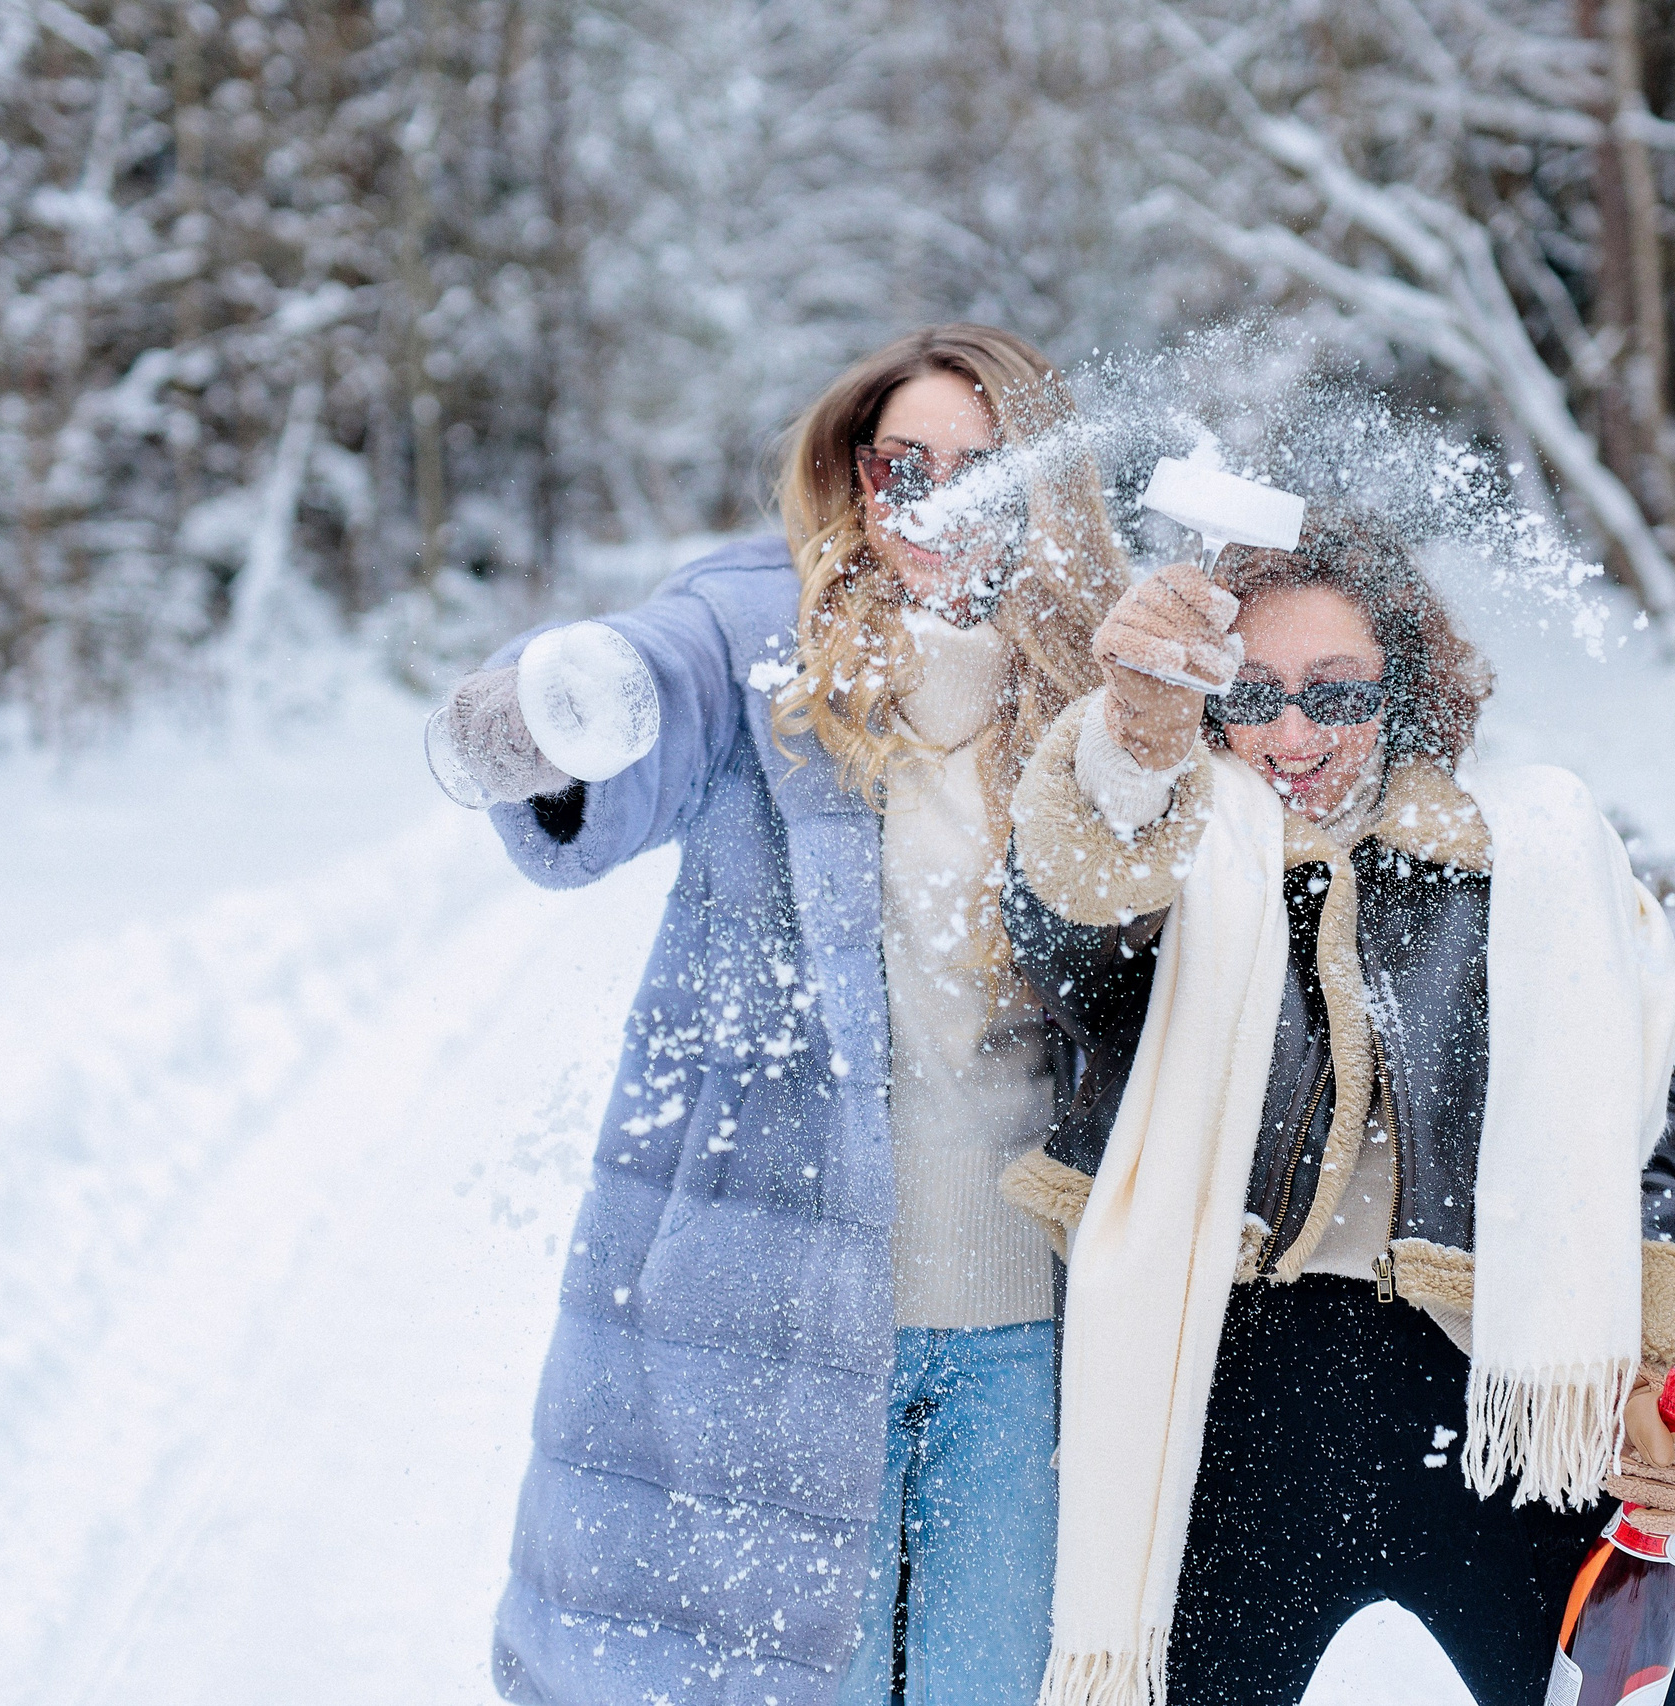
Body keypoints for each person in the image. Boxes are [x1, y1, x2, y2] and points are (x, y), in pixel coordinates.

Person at [429, 325, 1126, 1705]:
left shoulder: (1105, 696)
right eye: (900, 464)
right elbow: (636, 702)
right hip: (784, 1326)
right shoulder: (765, 647)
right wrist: (563, 711)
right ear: (856, 478)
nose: (932, 501)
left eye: (977, 469)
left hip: (1025, 1327)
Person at [997, 511, 1675, 1706]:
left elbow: (1642, 1133)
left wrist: (1673, 1362)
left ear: (1405, 686)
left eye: (1337, 693)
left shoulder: (1519, 867)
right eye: (1253, 691)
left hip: (1502, 1399)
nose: (1294, 732)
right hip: (1231, 1399)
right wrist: (1131, 742)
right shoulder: (1163, 862)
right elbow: (1065, 927)